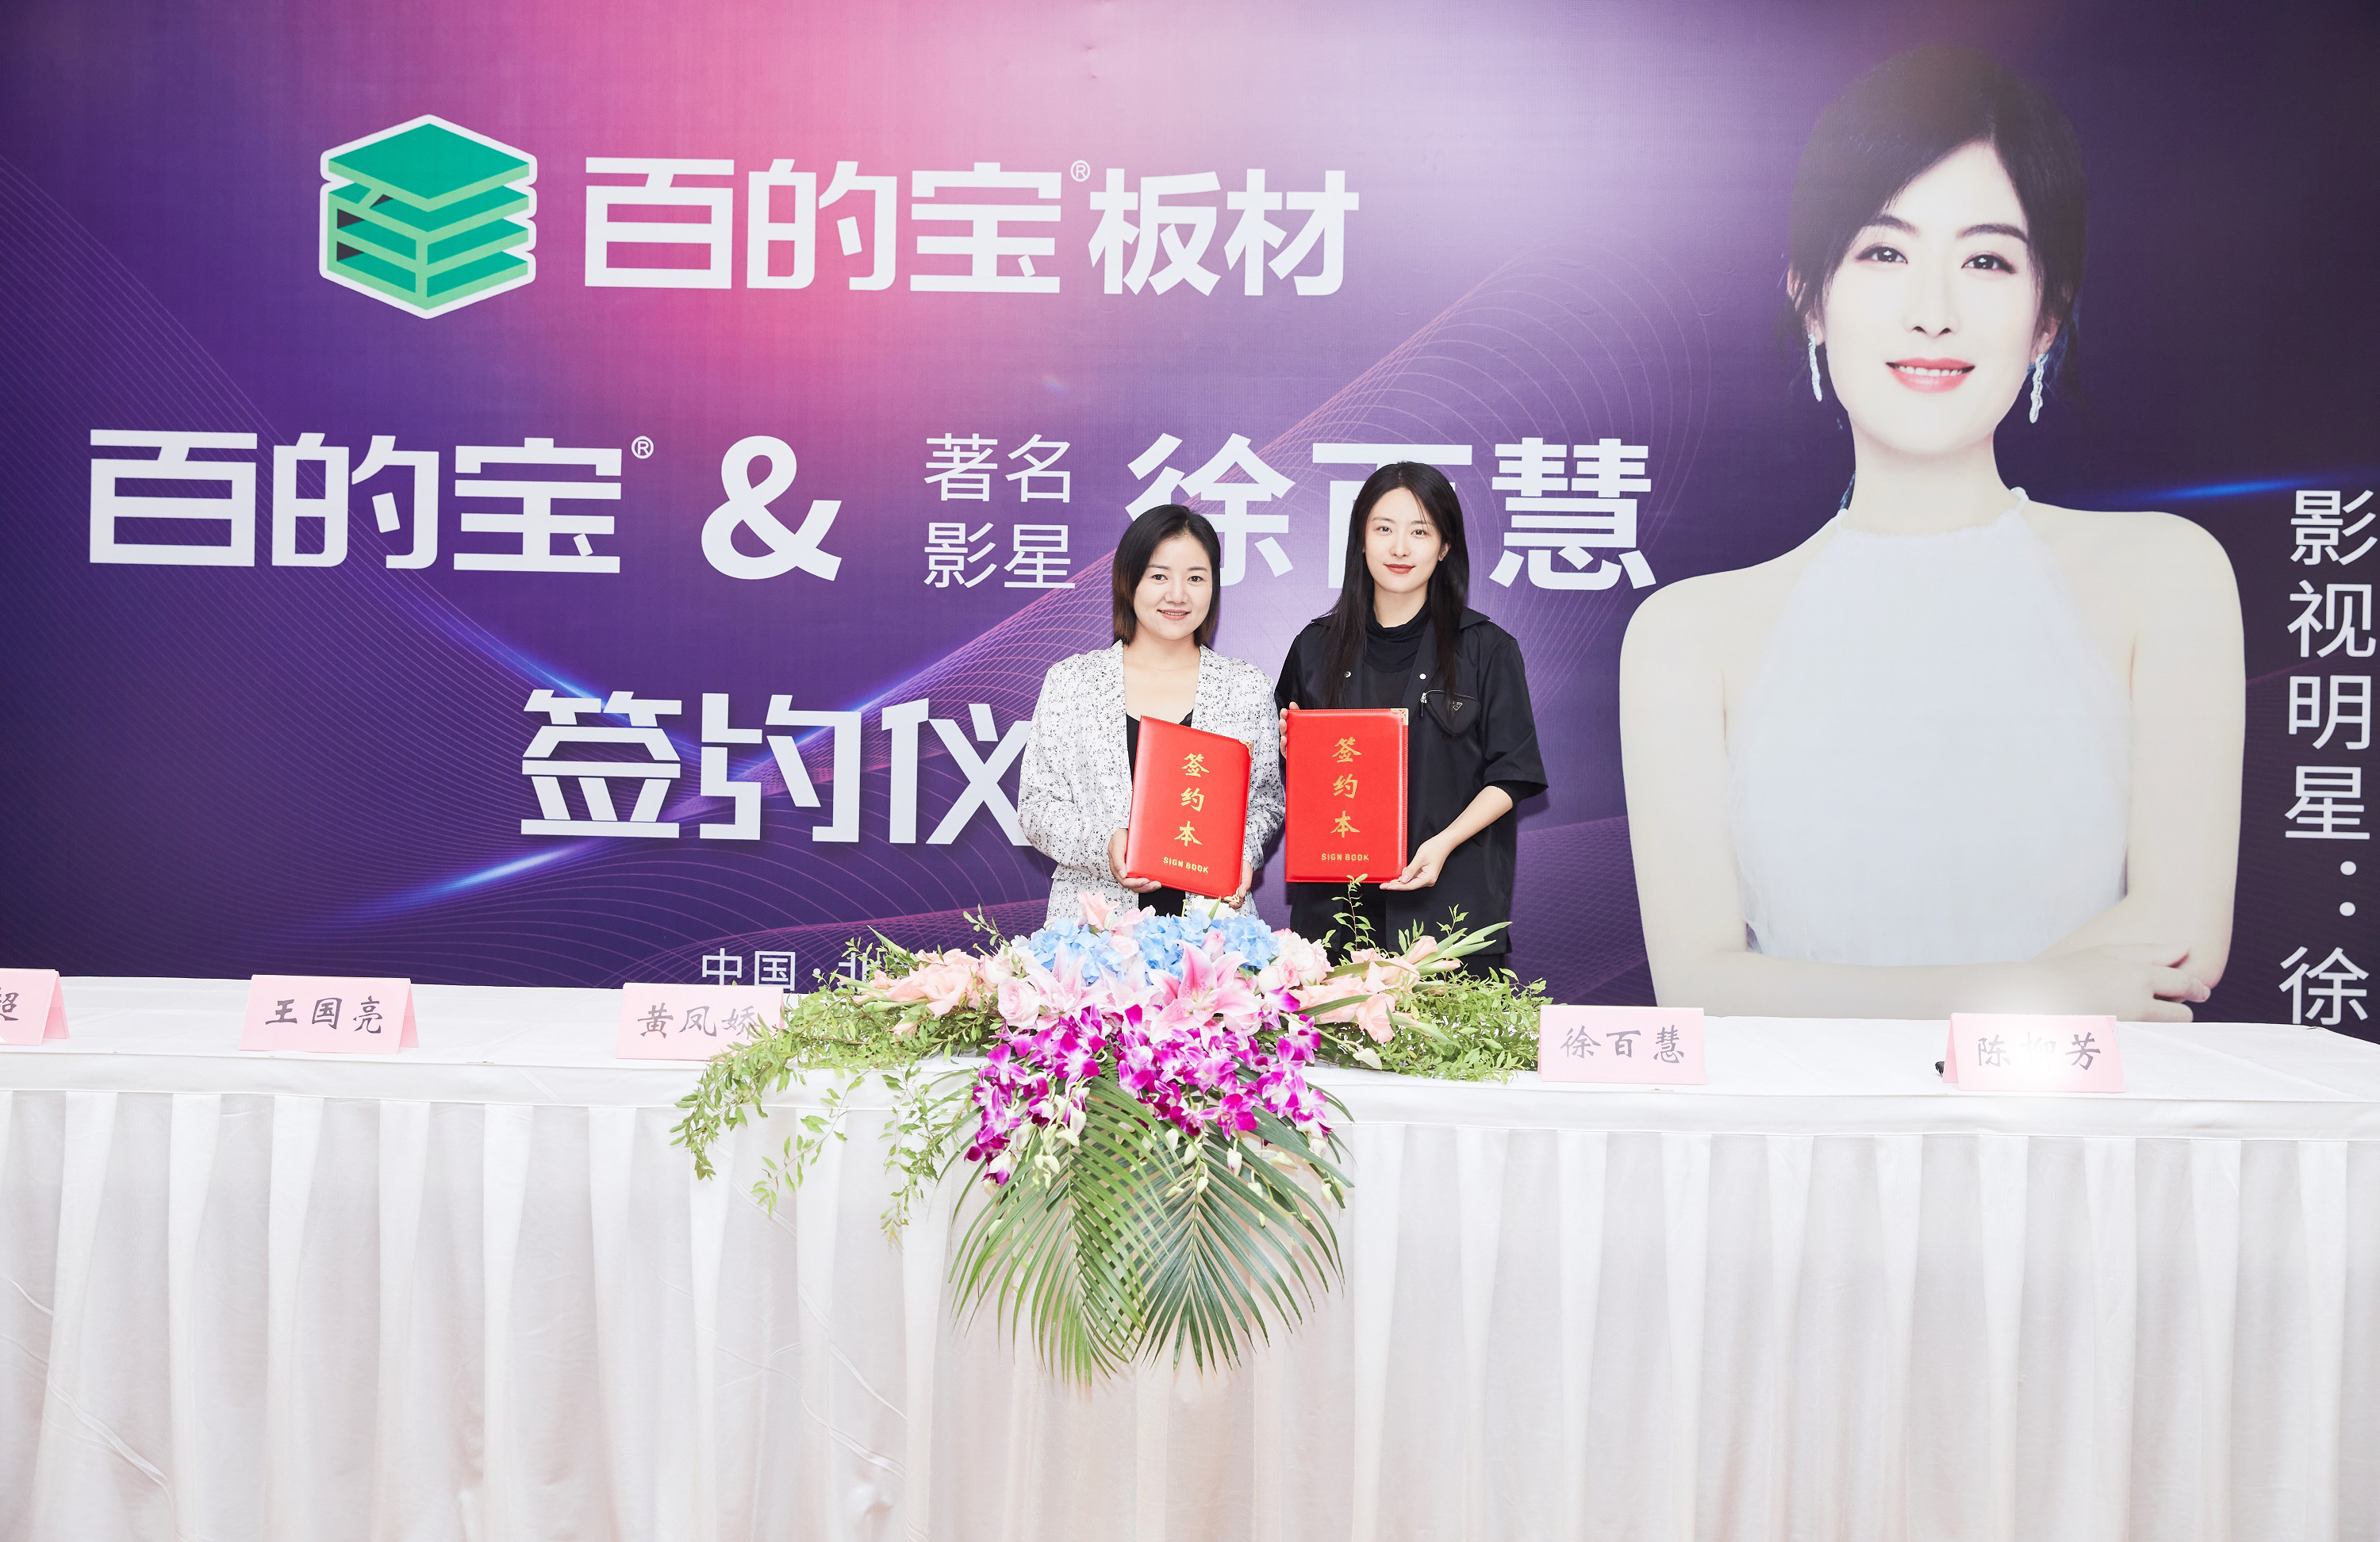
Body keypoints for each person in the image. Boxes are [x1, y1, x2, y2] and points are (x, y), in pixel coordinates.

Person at [1620, 45, 2244, 1022]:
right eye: (1885, 252)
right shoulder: (1689, 635)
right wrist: (2038, 995)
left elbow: (2179, 937)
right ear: (1810, 295)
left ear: (2048, 317)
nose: (1933, 313)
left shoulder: (2165, 575)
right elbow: (1699, 987)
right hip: (1798, 1125)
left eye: (1987, 260)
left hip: (2085, 1120)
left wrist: (1851, 1005)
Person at [1275, 462, 1547, 971]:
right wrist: (1293, 751)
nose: (1400, 548)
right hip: (1337, 915)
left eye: (1420, 532)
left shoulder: (1487, 649)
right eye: (1384, 529)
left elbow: (1513, 773)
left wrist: (1442, 844)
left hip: (1449, 911)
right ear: (1361, 540)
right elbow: (1287, 773)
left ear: (1444, 547)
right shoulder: (1314, 648)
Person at [1018, 505, 1285, 928]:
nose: (1177, 595)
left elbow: (1266, 803)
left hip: (1215, 936)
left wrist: (1243, 854)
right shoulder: (1073, 683)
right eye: (1159, 576)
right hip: (1095, 936)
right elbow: (1037, 808)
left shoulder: (1246, 688)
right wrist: (1105, 846)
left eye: (1195, 578)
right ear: (1128, 581)